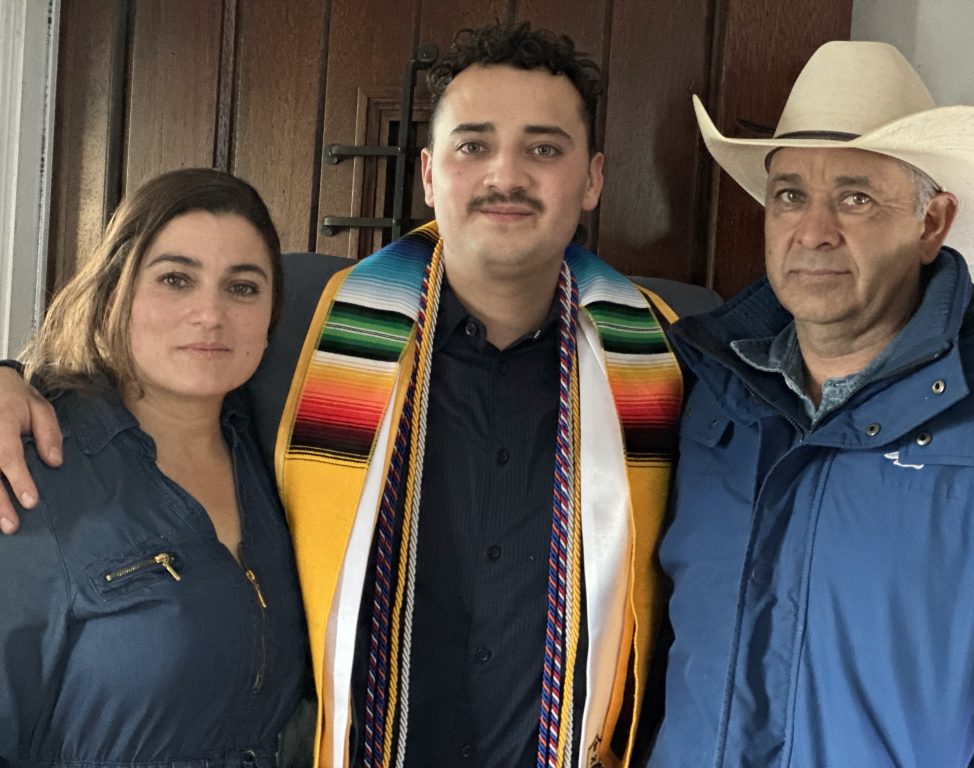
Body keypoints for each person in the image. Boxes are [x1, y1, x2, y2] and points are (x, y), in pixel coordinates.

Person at [0, 24, 722, 768]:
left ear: (594, 177)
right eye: (472, 145)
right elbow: (148, 369)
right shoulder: (309, 327)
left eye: (544, 148)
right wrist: (9, 379)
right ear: (429, 175)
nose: (506, 174)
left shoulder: (676, 359)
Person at [648, 41, 974, 766]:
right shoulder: (701, 389)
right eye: (789, 194)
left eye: (854, 197)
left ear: (931, 224)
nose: (813, 231)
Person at [0, 168, 309, 765]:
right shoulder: (34, 471)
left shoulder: (283, 450)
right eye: (175, 279)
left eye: (243, 287)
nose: (210, 314)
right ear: (115, 290)